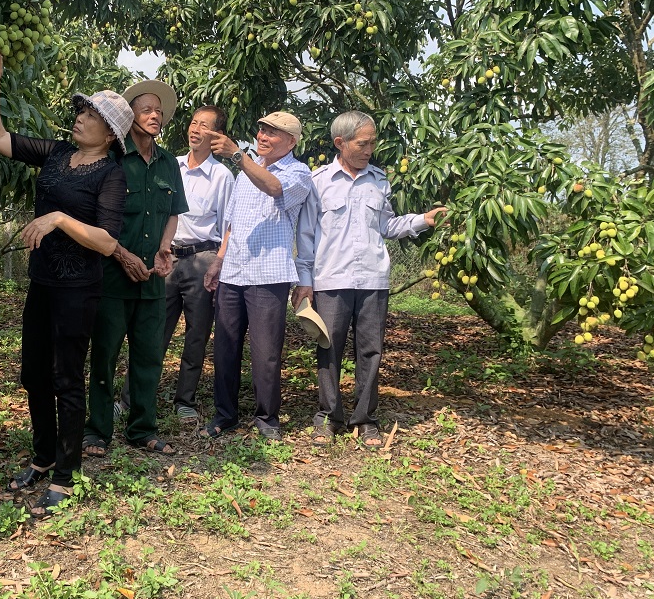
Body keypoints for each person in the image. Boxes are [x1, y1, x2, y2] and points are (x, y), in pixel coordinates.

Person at [0, 55, 132, 517]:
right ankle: (44, 456)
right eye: (81, 111)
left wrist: (60, 218)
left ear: (109, 136)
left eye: (91, 116)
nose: (80, 118)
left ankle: (67, 472)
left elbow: (107, 242)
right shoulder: (56, 154)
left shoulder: (112, 174)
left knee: (67, 376)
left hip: (77, 289)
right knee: (33, 374)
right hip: (42, 283)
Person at [293, 111, 445, 448]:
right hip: (331, 278)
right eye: (363, 143)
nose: (370, 149)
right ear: (340, 143)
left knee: (371, 351)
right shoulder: (318, 182)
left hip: (373, 279)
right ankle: (328, 418)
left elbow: (387, 226)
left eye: (373, 143)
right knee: (328, 349)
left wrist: (424, 220)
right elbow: (305, 237)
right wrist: (304, 280)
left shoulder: (379, 179)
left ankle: (365, 420)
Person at [83, 80, 188, 456]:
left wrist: (164, 246)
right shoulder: (111, 159)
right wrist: (119, 255)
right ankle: (97, 430)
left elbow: (173, 213)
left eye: (158, 110)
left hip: (153, 283)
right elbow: (95, 219)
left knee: (148, 357)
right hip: (111, 278)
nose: (154, 115)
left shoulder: (167, 163)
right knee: (105, 355)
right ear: (129, 118)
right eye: (146, 109)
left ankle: (143, 429)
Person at [117, 105, 235, 424]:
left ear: (217, 135)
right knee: (152, 330)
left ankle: (185, 400)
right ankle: (131, 398)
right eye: (194, 123)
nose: (196, 130)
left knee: (197, 335)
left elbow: (228, 226)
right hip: (167, 257)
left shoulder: (222, 177)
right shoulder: (170, 164)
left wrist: (217, 264)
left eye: (205, 126)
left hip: (202, 259)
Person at [201, 112, 313, 441]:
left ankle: (267, 418)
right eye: (261, 128)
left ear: (291, 141)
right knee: (225, 346)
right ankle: (225, 414)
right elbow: (232, 225)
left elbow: (274, 188)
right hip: (234, 271)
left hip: (268, 274)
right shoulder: (244, 175)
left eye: (273, 132)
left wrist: (238, 155)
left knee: (265, 352)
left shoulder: (299, 172)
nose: (263, 135)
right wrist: (218, 261)